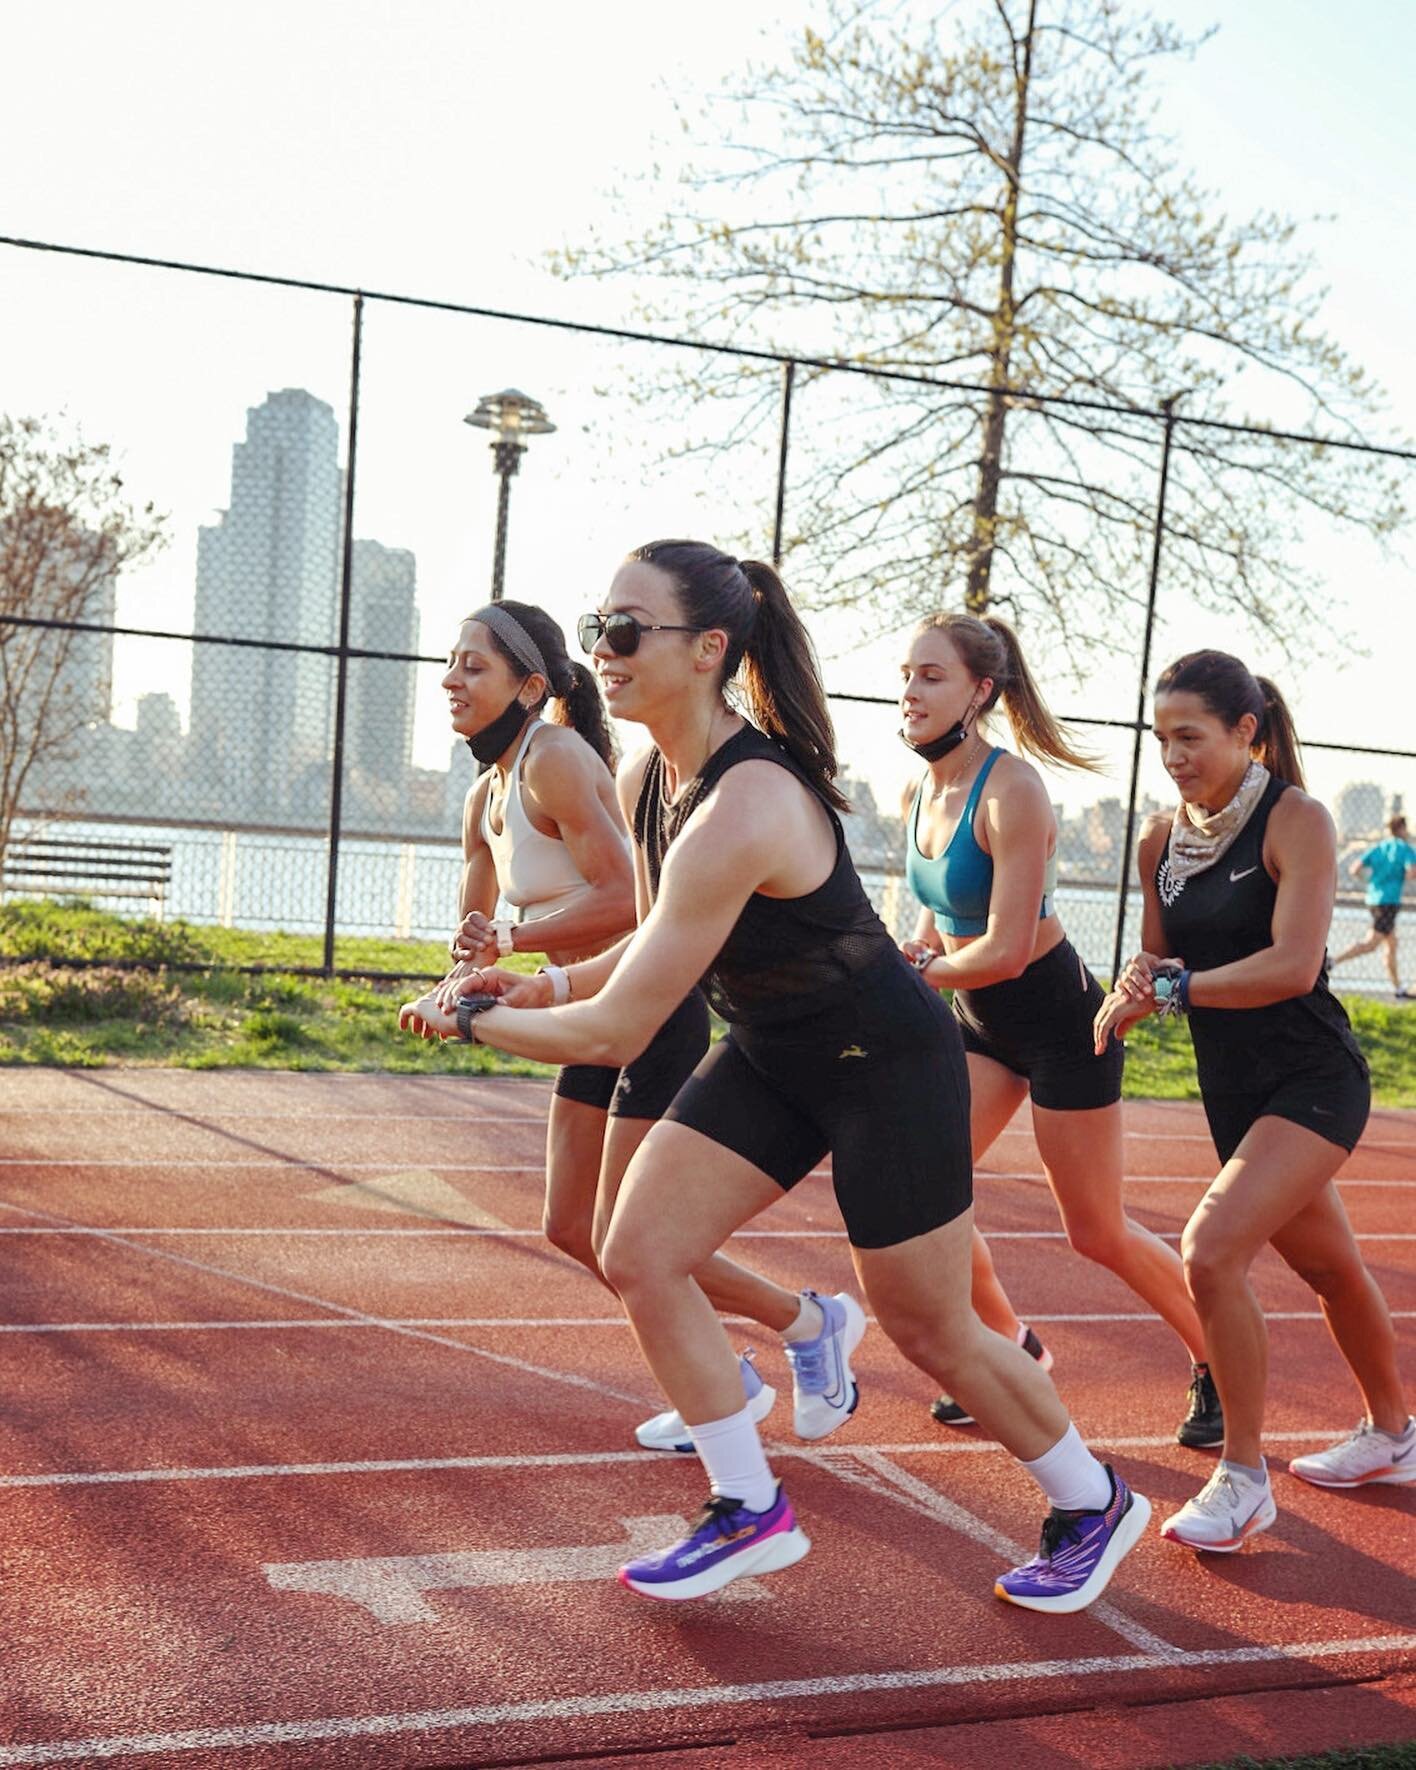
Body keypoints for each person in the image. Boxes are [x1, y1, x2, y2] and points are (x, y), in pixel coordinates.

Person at [403, 542, 1150, 1613]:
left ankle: (1092, 1501)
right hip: (773, 1050)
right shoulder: (652, 773)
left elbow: (620, 1031)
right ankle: (748, 1506)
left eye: (625, 631)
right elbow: (652, 944)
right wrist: (540, 979)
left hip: (887, 1065)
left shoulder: (747, 802)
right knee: (640, 1249)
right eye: (597, 626)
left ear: (709, 650)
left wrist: (470, 1016)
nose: (600, 652)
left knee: (935, 1327)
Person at [422, 600, 852, 1456]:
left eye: (475, 665)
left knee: (630, 1234)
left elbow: (627, 901)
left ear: (530, 685)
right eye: (451, 663)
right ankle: (744, 1365)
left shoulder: (558, 762)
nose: (451, 680)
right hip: (580, 1001)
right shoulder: (486, 793)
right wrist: (456, 987)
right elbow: (477, 924)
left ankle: (801, 1328)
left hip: (645, 1004)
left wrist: (514, 941)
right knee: (571, 1228)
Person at [1095, 650, 1414, 1552]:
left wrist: (1178, 990)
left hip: (1315, 1079)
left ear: (1247, 731)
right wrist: (1134, 990)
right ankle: (1394, 1435)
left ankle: (1242, 1478)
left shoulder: (1297, 821)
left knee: (1210, 1247)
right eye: (1162, 739)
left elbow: (1292, 966)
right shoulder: (1159, 837)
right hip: (1234, 1091)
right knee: (1330, 1269)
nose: (1173, 755)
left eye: (1190, 736)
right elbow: (1160, 958)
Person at [897, 613, 1219, 1447]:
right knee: (925, 1186)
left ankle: (1219, 1358)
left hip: (1058, 1021)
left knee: (1096, 1231)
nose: (910, 691)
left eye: (932, 676)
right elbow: (943, 914)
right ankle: (1009, 1346)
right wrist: (919, 948)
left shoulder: (1012, 789)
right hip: (980, 1018)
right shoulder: (917, 791)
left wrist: (919, 973)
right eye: (907, 674)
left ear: (980, 691)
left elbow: (1004, 949)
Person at [1330, 812, 1416, 998]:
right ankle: (1333, 962)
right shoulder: (1405, 849)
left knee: (1392, 944)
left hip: (1374, 899)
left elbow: (1355, 869)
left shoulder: (1379, 847)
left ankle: (1398, 989)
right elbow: (1411, 873)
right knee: (1372, 943)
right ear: (1401, 829)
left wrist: (1369, 881)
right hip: (1389, 902)